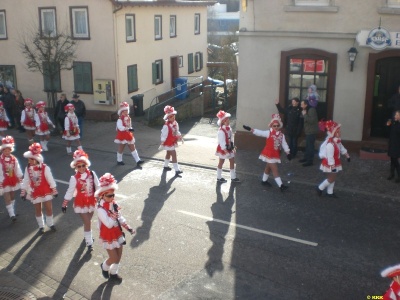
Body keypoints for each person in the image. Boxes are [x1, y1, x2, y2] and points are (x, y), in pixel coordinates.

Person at [96, 173, 135, 283]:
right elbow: (108, 224)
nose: (112, 197)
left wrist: (128, 227)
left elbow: (120, 218)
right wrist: (114, 215)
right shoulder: (100, 209)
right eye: (109, 196)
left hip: (117, 232)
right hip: (107, 235)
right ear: (102, 196)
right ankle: (104, 267)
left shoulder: (114, 204)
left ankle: (114, 273)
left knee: (118, 257)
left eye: (113, 195)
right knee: (113, 257)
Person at [62, 150, 99, 251]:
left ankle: (87, 234)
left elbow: (98, 186)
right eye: (79, 166)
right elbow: (70, 191)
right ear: (75, 167)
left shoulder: (92, 173)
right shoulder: (73, 178)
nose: (82, 168)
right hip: (80, 202)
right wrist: (64, 204)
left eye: (83, 165)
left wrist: (100, 197)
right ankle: (89, 242)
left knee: (88, 221)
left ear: (86, 164)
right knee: (87, 222)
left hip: (91, 201)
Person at [243, 114, 291, 191]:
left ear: (279, 126)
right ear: (271, 126)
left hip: (276, 153)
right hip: (269, 153)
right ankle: (281, 185)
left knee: (268, 168)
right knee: (275, 169)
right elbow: (260, 132)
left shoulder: (282, 135)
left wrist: (288, 152)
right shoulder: (268, 133)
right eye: (274, 126)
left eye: (277, 125)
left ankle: (264, 181)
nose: (276, 127)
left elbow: (284, 144)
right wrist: (250, 129)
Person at [21, 143, 58, 234]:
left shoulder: (45, 168)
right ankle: (41, 226)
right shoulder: (28, 168)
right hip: (35, 191)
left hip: (45, 190)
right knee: (38, 209)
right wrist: (23, 191)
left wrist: (54, 189)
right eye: (29, 159)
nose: (30, 161)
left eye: (32, 159)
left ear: (37, 159)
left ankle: (50, 223)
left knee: (49, 208)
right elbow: (26, 180)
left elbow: (50, 179)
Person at [316, 120, 350, 198]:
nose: (340, 133)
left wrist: (347, 155)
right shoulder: (330, 144)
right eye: (338, 132)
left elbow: (342, 149)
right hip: (330, 163)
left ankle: (330, 192)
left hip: (335, 162)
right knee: (331, 178)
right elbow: (330, 156)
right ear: (333, 133)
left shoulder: (337, 142)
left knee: (331, 178)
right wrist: (333, 166)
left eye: (339, 131)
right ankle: (320, 188)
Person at [0, 136, 23, 222]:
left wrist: (20, 176)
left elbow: (17, 168)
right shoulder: (0, 160)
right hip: (4, 179)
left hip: (12, 178)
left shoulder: (13, 158)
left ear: (10, 150)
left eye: (8, 150)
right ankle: (11, 214)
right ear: (2, 150)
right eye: (5, 150)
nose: (6, 152)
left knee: (12, 195)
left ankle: (12, 210)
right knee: (7, 196)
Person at [114, 102, 144, 167]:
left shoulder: (128, 118)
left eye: (126, 111)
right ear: (121, 112)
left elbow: (129, 126)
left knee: (132, 147)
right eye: (124, 111)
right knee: (121, 148)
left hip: (128, 134)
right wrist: (127, 129)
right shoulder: (119, 120)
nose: (126, 112)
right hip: (122, 135)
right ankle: (119, 160)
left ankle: (138, 160)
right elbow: (120, 127)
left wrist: (130, 128)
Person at [215, 110, 239, 183]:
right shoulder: (221, 131)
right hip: (223, 148)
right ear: (222, 122)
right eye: (226, 120)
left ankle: (233, 177)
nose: (228, 121)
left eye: (228, 119)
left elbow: (231, 138)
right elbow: (221, 142)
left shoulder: (229, 129)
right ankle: (219, 177)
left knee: (232, 160)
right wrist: (225, 150)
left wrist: (233, 147)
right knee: (221, 162)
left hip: (229, 147)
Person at [159, 105, 183, 177]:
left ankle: (165, 166)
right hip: (168, 142)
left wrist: (179, 136)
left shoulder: (175, 123)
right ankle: (177, 170)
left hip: (172, 140)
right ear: (167, 118)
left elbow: (177, 131)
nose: (173, 117)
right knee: (173, 154)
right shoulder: (166, 126)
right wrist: (163, 141)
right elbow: (163, 134)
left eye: (173, 116)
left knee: (168, 154)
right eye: (171, 117)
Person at [299, 99, 319, 167]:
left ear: (306, 104)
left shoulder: (311, 110)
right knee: (307, 146)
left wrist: (304, 115)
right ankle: (306, 158)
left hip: (311, 131)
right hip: (308, 131)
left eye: (302, 104)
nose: (301, 106)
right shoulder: (306, 110)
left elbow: (312, 120)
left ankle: (310, 161)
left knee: (310, 147)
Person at [386, 110, 400, 182]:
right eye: (395, 115)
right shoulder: (394, 123)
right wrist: (388, 125)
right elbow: (389, 132)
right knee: (392, 159)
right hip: (392, 143)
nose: (395, 116)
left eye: (397, 115)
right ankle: (392, 174)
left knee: (395, 160)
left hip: (397, 145)